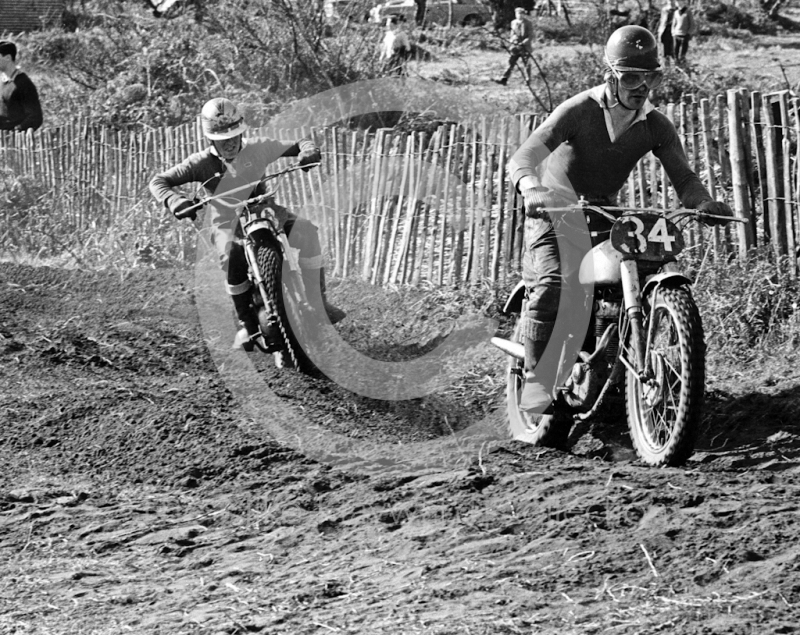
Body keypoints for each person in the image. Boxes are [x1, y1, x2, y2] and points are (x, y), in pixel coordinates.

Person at [507, 25, 731, 415]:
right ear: (610, 75)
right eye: (631, 77)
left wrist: (704, 203)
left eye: (651, 77)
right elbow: (523, 158)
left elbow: (684, 178)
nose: (641, 86)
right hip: (554, 210)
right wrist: (530, 188)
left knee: (622, 280)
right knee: (554, 282)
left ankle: (615, 372)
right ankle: (536, 383)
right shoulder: (578, 110)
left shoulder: (656, 125)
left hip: (601, 210)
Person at [149, 97, 346, 351]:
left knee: (307, 231)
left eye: (234, 135)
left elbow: (300, 143)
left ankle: (318, 303)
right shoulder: (199, 163)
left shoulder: (258, 147)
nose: (230, 143)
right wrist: (174, 200)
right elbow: (158, 181)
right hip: (225, 220)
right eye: (222, 139)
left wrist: (308, 151)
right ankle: (248, 324)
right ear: (211, 139)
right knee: (231, 256)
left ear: (242, 131)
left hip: (263, 208)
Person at [0, 41, 43, 133]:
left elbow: (35, 116)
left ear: (7, 57)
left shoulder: (23, 83)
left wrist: (17, 130)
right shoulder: (1, 81)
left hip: (15, 141)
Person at [495, 7, 536, 86]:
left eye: (521, 14)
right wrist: (510, 42)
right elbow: (512, 34)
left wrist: (523, 43)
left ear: (524, 14)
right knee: (511, 62)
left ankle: (528, 80)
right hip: (515, 46)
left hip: (525, 47)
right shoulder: (513, 22)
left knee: (526, 64)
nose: (519, 15)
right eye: (517, 14)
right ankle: (504, 79)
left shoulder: (528, 23)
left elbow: (530, 36)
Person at [657, 0, 677, 65]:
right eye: (669, 1)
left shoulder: (678, 10)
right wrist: (659, 32)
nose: (671, 2)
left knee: (673, 52)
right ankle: (666, 68)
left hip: (674, 32)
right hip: (664, 31)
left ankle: (677, 68)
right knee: (664, 52)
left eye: (672, 1)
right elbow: (662, 21)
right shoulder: (664, 10)